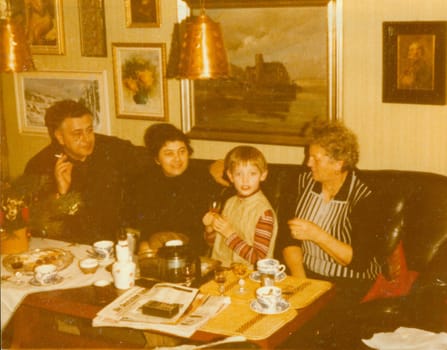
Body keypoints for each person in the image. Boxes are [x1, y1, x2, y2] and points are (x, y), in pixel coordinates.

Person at [278, 121, 383, 349]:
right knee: (276, 319)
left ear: (338, 163)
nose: (308, 163)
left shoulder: (365, 196)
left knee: (309, 332)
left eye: (315, 158)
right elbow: (288, 238)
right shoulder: (303, 181)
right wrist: (301, 281)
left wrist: (316, 234)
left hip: (348, 283)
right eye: (309, 156)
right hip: (305, 273)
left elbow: (359, 262)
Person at [24, 99, 149, 244]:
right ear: (59, 137)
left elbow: (148, 157)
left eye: (89, 130)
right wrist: (60, 193)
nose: (87, 139)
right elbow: (35, 222)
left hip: (115, 239)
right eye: (77, 134)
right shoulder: (39, 165)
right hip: (70, 245)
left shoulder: (111, 148)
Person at [134, 123, 222, 255]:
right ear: (157, 159)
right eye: (169, 153)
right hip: (157, 246)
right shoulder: (145, 181)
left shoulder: (202, 179)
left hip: (191, 248)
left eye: (182, 151)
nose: (177, 159)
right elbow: (142, 225)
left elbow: (207, 228)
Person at [203, 145, 278, 268]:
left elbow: (259, 259)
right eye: (238, 174)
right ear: (230, 176)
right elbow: (214, 245)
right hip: (221, 271)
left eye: (252, 174)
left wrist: (229, 234)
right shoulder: (229, 203)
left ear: (263, 175)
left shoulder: (264, 213)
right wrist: (209, 229)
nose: (245, 180)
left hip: (250, 277)